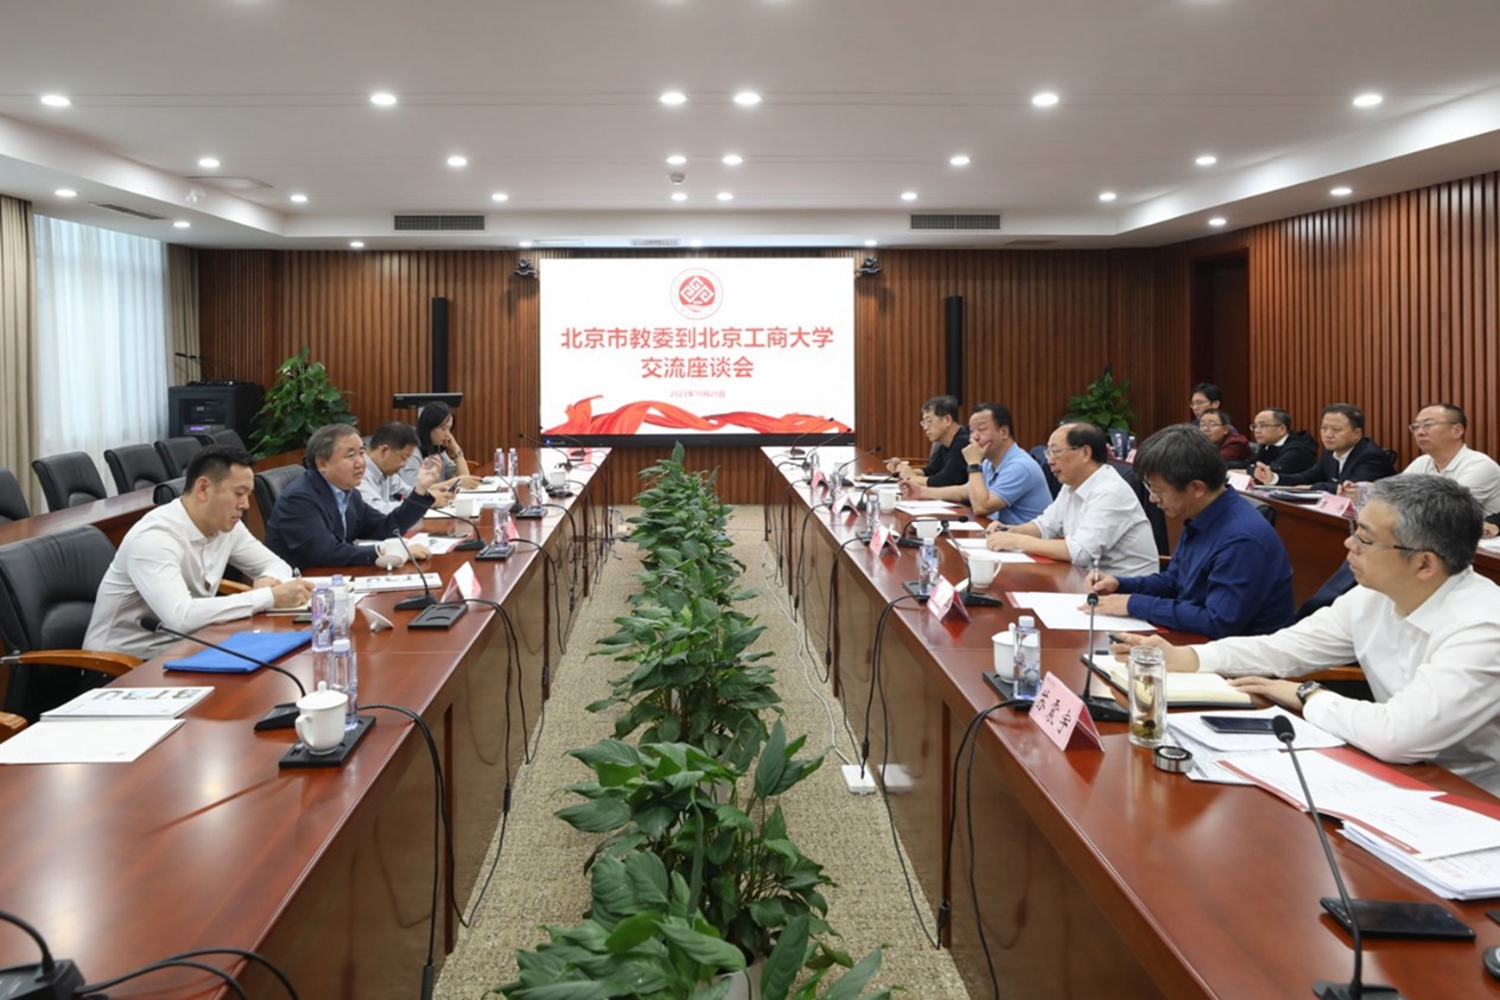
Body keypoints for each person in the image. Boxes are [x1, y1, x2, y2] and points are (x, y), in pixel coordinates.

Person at [1120, 476, 1500, 796]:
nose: (1349, 544)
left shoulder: (1482, 627)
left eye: (1365, 539)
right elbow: (1287, 647)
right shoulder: (1373, 596)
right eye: (1354, 530)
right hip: (1394, 772)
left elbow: (1398, 735)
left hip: (1469, 799)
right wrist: (1191, 658)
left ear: (1425, 563)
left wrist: (1307, 695)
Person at [84, 446, 315, 660]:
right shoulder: (154, 538)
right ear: (203, 489)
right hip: (121, 666)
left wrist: (265, 579)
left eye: (248, 495)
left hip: (188, 648)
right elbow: (181, 617)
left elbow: (278, 565)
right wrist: (268, 597)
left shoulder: (226, 525)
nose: (245, 504)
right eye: (239, 493)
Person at [1088, 424, 1295, 638]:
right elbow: (1174, 581)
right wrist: (1121, 584)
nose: (1152, 499)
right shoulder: (1204, 514)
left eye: (1158, 491)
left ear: (1197, 488)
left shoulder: (1242, 540)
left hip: (1238, 653)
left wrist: (1133, 604)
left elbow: (1218, 621)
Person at [984, 422, 1158, 576]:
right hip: (1087, 581)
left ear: (1085, 453)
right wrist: (1010, 531)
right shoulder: (1071, 485)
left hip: (1124, 591)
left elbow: (1080, 552)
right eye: (1048, 453)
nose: (1050, 461)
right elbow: (1044, 526)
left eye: (1056, 452)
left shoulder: (1110, 492)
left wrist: (1018, 541)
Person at [266, 423, 443, 570]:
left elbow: (387, 527)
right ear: (322, 464)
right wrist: (385, 551)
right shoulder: (299, 499)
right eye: (351, 456)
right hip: (301, 588)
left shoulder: (349, 493)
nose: (360, 463)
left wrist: (420, 490)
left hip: (336, 578)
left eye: (361, 453)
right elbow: (327, 552)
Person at [902, 402, 1050, 525]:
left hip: (1026, 543)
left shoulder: (1020, 466)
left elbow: (981, 507)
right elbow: (965, 491)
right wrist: (921, 492)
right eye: (972, 431)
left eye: (981, 429)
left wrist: (974, 464)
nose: (974, 437)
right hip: (999, 534)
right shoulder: (989, 462)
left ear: (1003, 432)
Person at [1385, 403, 1500, 515]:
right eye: (1415, 427)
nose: (1420, 432)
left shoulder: (1480, 465)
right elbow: (1390, 498)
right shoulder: (1421, 463)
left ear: (1457, 431)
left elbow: (1446, 512)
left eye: (1428, 425)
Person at [1254, 403, 1395, 491]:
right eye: (1324, 428)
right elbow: (1307, 476)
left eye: (1335, 430)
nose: (1328, 435)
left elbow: (1349, 489)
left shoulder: (1370, 456)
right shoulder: (1330, 452)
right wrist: (1273, 478)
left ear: (1356, 434)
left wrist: (1313, 487)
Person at [361, 422, 451, 514]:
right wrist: (424, 503)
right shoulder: (359, 472)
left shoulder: (387, 471)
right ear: (384, 451)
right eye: (404, 458)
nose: (404, 465)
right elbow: (378, 510)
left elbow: (407, 492)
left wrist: (428, 494)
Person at [886, 394, 971, 488]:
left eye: (928, 421)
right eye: (924, 423)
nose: (925, 428)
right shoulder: (945, 443)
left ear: (947, 420)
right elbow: (932, 470)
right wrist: (903, 471)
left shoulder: (964, 442)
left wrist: (911, 478)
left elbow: (945, 481)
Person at [405, 401, 479, 490]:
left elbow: (465, 480)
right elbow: (414, 490)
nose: (448, 434)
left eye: (449, 429)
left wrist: (457, 450)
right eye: (444, 429)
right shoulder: (412, 453)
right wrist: (456, 482)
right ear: (428, 427)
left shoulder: (438, 450)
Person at [1244, 408, 1317, 475]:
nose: (1257, 431)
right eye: (1255, 426)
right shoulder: (1267, 444)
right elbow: (1249, 464)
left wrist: (1250, 470)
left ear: (1282, 429)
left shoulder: (1297, 449)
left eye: (1263, 426)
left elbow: (1269, 473)